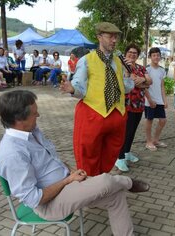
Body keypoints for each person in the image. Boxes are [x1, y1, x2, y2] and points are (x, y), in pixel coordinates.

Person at [0, 90, 150, 236]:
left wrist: (71, 172)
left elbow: (50, 161)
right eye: (35, 114)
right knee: (106, 180)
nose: (39, 115)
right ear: (19, 120)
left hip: (67, 185)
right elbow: (34, 199)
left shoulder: (31, 131)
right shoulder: (11, 154)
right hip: (49, 205)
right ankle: (128, 182)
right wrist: (68, 180)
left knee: (116, 196)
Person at [60, 22, 134, 176]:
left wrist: (128, 75)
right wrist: (72, 89)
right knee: (87, 154)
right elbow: (79, 86)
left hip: (116, 114)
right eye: (110, 37)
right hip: (93, 114)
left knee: (109, 155)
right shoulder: (87, 60)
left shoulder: (119, 61)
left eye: (116, 37)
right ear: (99, 37)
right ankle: (89, 186)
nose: (114, 40)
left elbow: (126, 88)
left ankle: (101, 181)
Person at [115, 43, 152, 172]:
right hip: (125, 105)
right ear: (125, 54)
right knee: (124, 132)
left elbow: (149, 81)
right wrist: (142, 82)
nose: (132, 55)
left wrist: (141, 80)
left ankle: (127, 153)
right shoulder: (119, 66)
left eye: (135, 53)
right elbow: (134, 82)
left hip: (139, 104)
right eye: (130, 52)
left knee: (132, 131)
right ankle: (119, 158)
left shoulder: (140, 67)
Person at [144, 47, 168, 151]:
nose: (156, 57)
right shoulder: (147, 69)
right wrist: (149, 100)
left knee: (163, 120)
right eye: (154, 55)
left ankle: (155, 140)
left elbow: (162, 86)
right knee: (149, 120)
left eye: (158, 55)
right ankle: (148, 142)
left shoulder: (162, 70)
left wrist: (165, 100)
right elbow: (144, 86)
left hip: (159, 100)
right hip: (149, 100)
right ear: (150, 57)